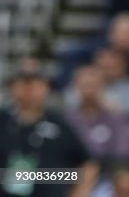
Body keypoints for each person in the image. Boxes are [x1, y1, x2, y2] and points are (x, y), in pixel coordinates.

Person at [0, 59, 98, 197]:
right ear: (12, 87)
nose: (29, 89)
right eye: (23, 82)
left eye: (35, 83)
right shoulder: (3, 121)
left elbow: (88, 165)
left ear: (46, 87)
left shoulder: (60, 125)